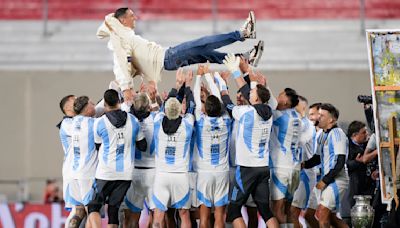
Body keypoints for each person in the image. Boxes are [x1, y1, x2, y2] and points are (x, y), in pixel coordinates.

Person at [96, 7, 264, 103]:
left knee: (206, 53)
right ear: (123, 21)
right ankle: (242, 34)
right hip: (169, 57)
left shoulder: (123, 34)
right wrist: (126, 88)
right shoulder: (120, 39)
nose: (136, 18)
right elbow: (120, 63)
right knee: (204, 43)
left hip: (168, 60)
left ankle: (245, 58)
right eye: (132, 16)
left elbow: (111, 20)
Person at [218, 54, 279, 228]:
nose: (249, 93)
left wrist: (224, 84)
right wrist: (244, 72)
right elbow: (249, 90)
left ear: (256, 98)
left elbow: (228, 105)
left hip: (246, 168)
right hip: (263, 167)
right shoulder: (269, 113)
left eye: (252, 93)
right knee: (265, 210)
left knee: (234, 211)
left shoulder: (246, 113)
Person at [87, 89, 147, 228]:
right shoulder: (133, 120)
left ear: (105, 103)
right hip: (125, 174)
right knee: (113, 209)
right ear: (119, 102)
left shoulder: (99, 123)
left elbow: (97, 146)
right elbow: (143, 146)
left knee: (94, 207)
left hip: (105, 173)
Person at [151, 69, 195, 228]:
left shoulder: (157, 122)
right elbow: (191, 106)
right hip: (180, 176)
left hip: (161, 175)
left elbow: (165, 106)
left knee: (159, 215)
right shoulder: (187, 124)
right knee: (184, 215)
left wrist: (177, 86)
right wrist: (187, 85)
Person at [192, 64, 232, 228]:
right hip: (222, 172)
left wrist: (198, 76)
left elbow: (196, 97)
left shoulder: (201, 122)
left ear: (204, 109)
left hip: (204, 173)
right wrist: (209, 76)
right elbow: (217, 96)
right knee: (220, 216)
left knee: (204, 217)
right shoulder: (226, 121)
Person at [302, 103, 349, 228]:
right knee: (327, 217)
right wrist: (304, 164)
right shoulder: (322, 135)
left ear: (331, 119)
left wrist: (325, 180)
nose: (318, 118)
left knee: (322, 213)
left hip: (336, 180)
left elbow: (340, 162)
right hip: (326, 180)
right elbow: (317, 158)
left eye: (322, 115)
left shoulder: (338, 134)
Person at [122, 92, 158, 228]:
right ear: (148, 107)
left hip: (134, 172)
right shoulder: (157, 118)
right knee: (157, 215)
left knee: (132, 215)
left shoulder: (128, 120)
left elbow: (126, 107)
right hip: (153, 173)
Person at [268, 86, 301, 227]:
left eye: (280, 96)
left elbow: (265, 106)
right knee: (288, 210)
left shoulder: (280, 116)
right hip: (295, 169)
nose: (277, 98)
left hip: (281, 167)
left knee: (277, 210)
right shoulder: (297, 117)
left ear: (287, 102)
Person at [65, 96, 98, 227]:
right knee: (92, 210)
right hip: (87, 174)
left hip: (73, 174)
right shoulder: (93, 124)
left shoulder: (68, 124)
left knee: (78, 212)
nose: (94, 104)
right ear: (87, 107)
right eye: (91, 103)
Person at [290, 96, 317, 228]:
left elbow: (299, 141)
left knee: (293, 213)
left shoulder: (308, 126)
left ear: (304, 108)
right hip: (292, 172)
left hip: (304, 174)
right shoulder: (292, 123)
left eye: (296, 106)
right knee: (288, 213)